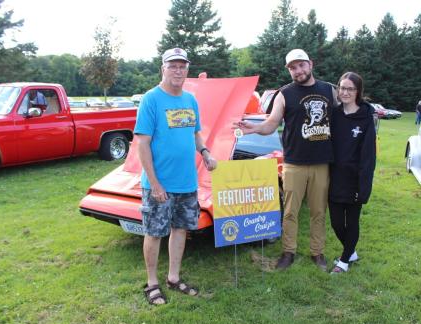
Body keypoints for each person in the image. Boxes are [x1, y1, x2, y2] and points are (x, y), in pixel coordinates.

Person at [234, 49, 338, 271]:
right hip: (294, 163)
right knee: (290, 211)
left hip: (322, 162)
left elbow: (344, 117)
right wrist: (254, 128)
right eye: (293, 67)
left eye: (301, 65)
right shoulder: (284, 94)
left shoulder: (329, 90)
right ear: (288, 70)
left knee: (319, 211)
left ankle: (317, 253)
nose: (298, 70)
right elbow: (271, 123)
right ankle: (288, 252)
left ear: (310, 64)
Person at [134, 47, 217, 305]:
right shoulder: (151, 99)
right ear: (163, 69)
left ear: (187, 70)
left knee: (180, 230)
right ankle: (152, 283)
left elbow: (195, 134)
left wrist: (204, 151)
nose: (178, 70)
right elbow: (143, 144)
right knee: (155, 232)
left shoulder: (190, 100)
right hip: (159, 184)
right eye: (173, 65)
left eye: (182, 66)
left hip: (187, 183)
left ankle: (173, 277)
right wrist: (155, 184)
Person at [329, 72, 376, 274]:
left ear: (358, 92)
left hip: (355, 179)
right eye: (342, 87)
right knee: (337, 223)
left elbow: (368, 156)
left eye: (350, 88)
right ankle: (351, 252)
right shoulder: (334, 114)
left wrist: (363, 186)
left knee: (352, 221)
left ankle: (344, 261)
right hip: (334, 178)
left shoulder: (366, 118)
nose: (345, 92)